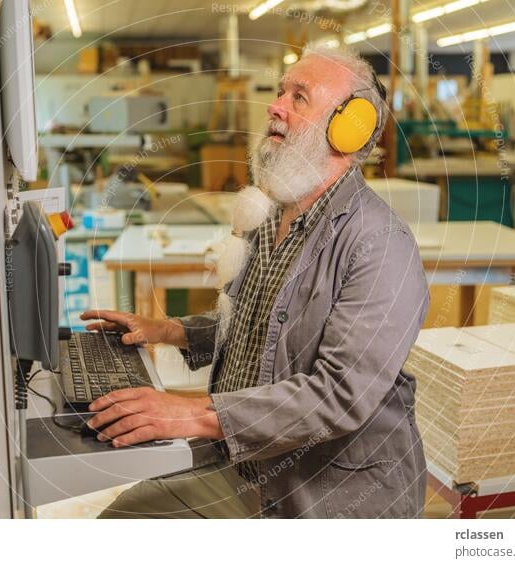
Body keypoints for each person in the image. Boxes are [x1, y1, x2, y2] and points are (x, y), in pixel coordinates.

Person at [81, 45, 430, 519]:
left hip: (321, 496)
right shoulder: (270, 218)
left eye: (299, 97)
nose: (275, 105)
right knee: (119, 522)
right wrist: (169, 331)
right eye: (280, 91)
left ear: (349, 127)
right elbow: (258, 328)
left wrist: (195, 414)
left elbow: (339, 394)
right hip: (243, 463)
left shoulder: (380, 244)